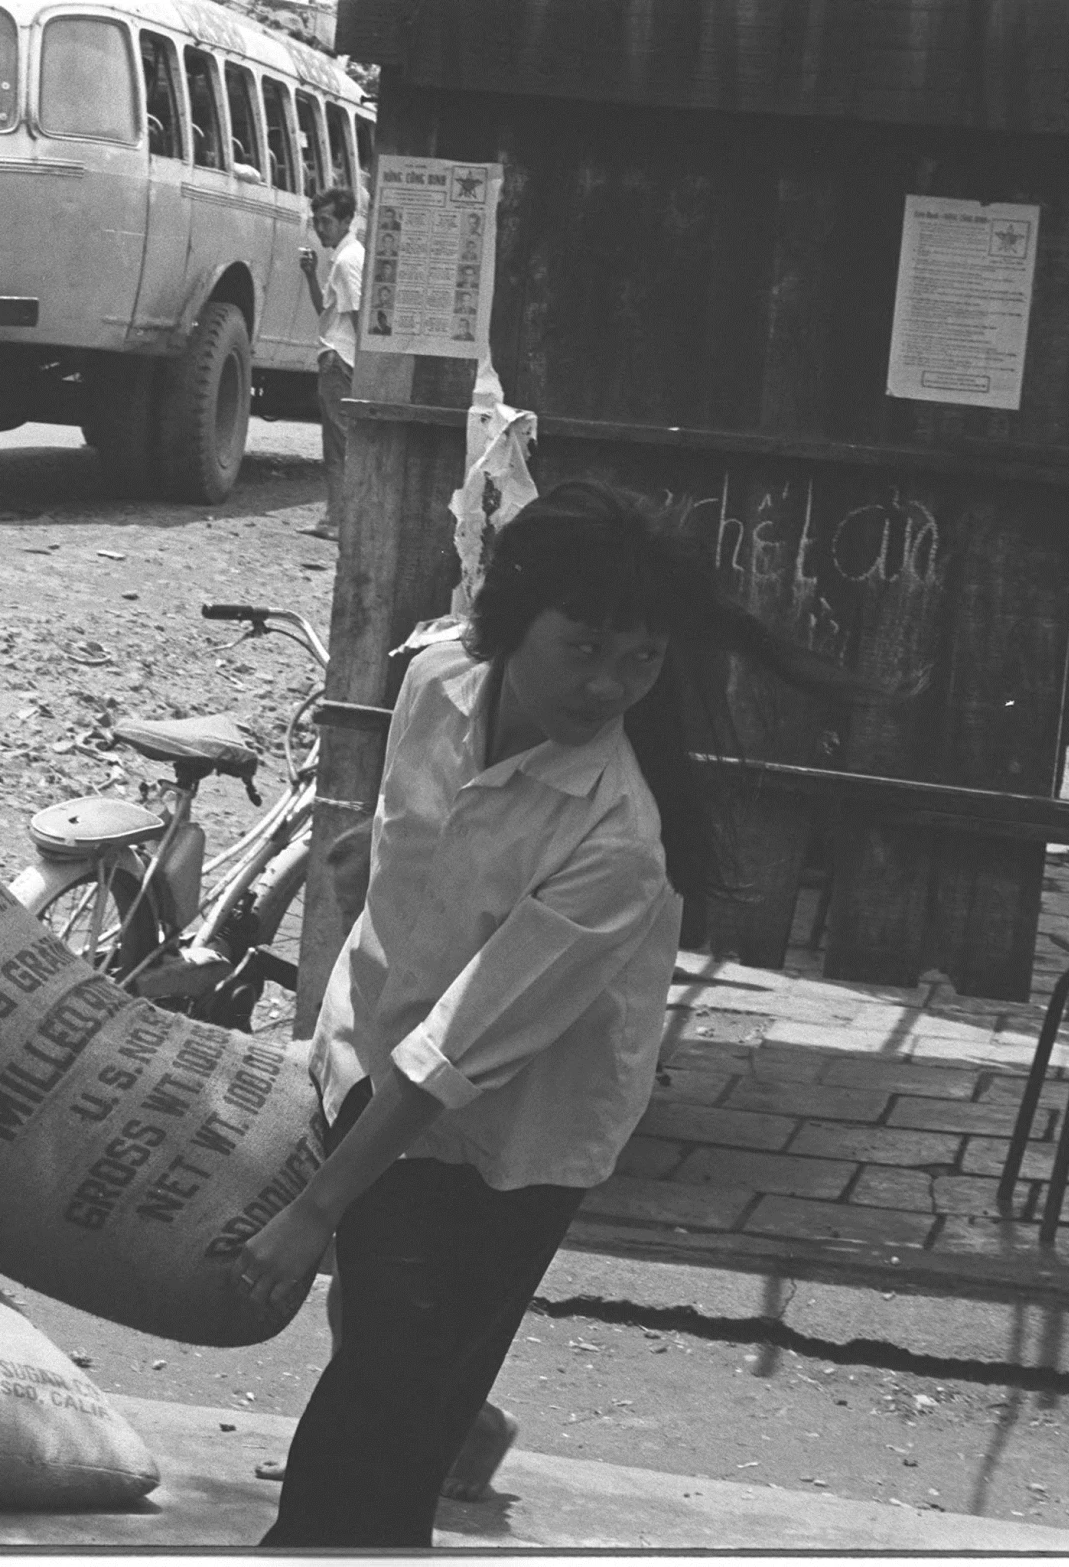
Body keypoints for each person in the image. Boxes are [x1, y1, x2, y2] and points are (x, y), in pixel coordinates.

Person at [240, 482, 891, 1545]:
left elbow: (458, 1053)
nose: (610, 684)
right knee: (391, 1356)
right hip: (376, 1050)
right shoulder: (440, 675)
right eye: (583, 649)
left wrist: (310, 1210)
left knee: (381, 1418)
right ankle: (453, 1422)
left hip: (511, 1136)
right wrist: (378, 841)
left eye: (640, 659)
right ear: (508, 628)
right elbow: (420, 811)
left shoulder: (619, 839)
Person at [297, 186, 362, 542]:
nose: (321, 229)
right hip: (339, 357)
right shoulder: (342, 258)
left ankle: (336, 520)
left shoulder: (348, 260)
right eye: (316, 222)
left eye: (326, 221)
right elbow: (326, 312)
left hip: (340, 361)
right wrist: (311, 275)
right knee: (338, 444)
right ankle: (335, 516)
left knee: (338, 447)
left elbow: (355, 314)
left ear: (346, 221)